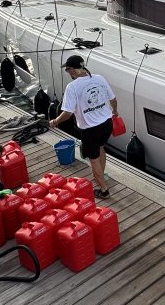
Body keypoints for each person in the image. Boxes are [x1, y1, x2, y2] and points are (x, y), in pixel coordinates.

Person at [50, 55, 118, 199]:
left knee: (93, 159)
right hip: (107, 123)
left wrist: (55, 121)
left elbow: (67, 113)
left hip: (91, 129)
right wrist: (115, 113)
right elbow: (113, 99)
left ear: (73, 70)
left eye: (68, 70)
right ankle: (101, 174)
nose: (68, 73)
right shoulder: (99, 78)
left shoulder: (72, 87)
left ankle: (103, 190)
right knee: (101, 148)